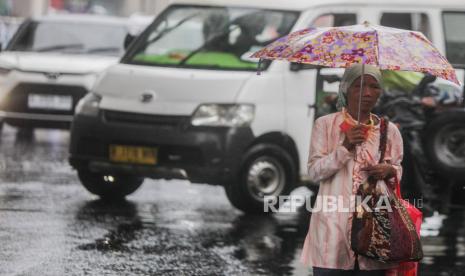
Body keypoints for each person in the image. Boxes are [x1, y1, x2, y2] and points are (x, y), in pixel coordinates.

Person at [300, 64, 404, 275]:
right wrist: (345, 147)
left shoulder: (389, 131)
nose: (367, 93)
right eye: (359, 86)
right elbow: (314, 172)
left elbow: (397, 170)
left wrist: (390, 170)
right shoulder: (326, 125)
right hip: (332, 233)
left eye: (374, 87)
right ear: (346, 89)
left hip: (374, 231)